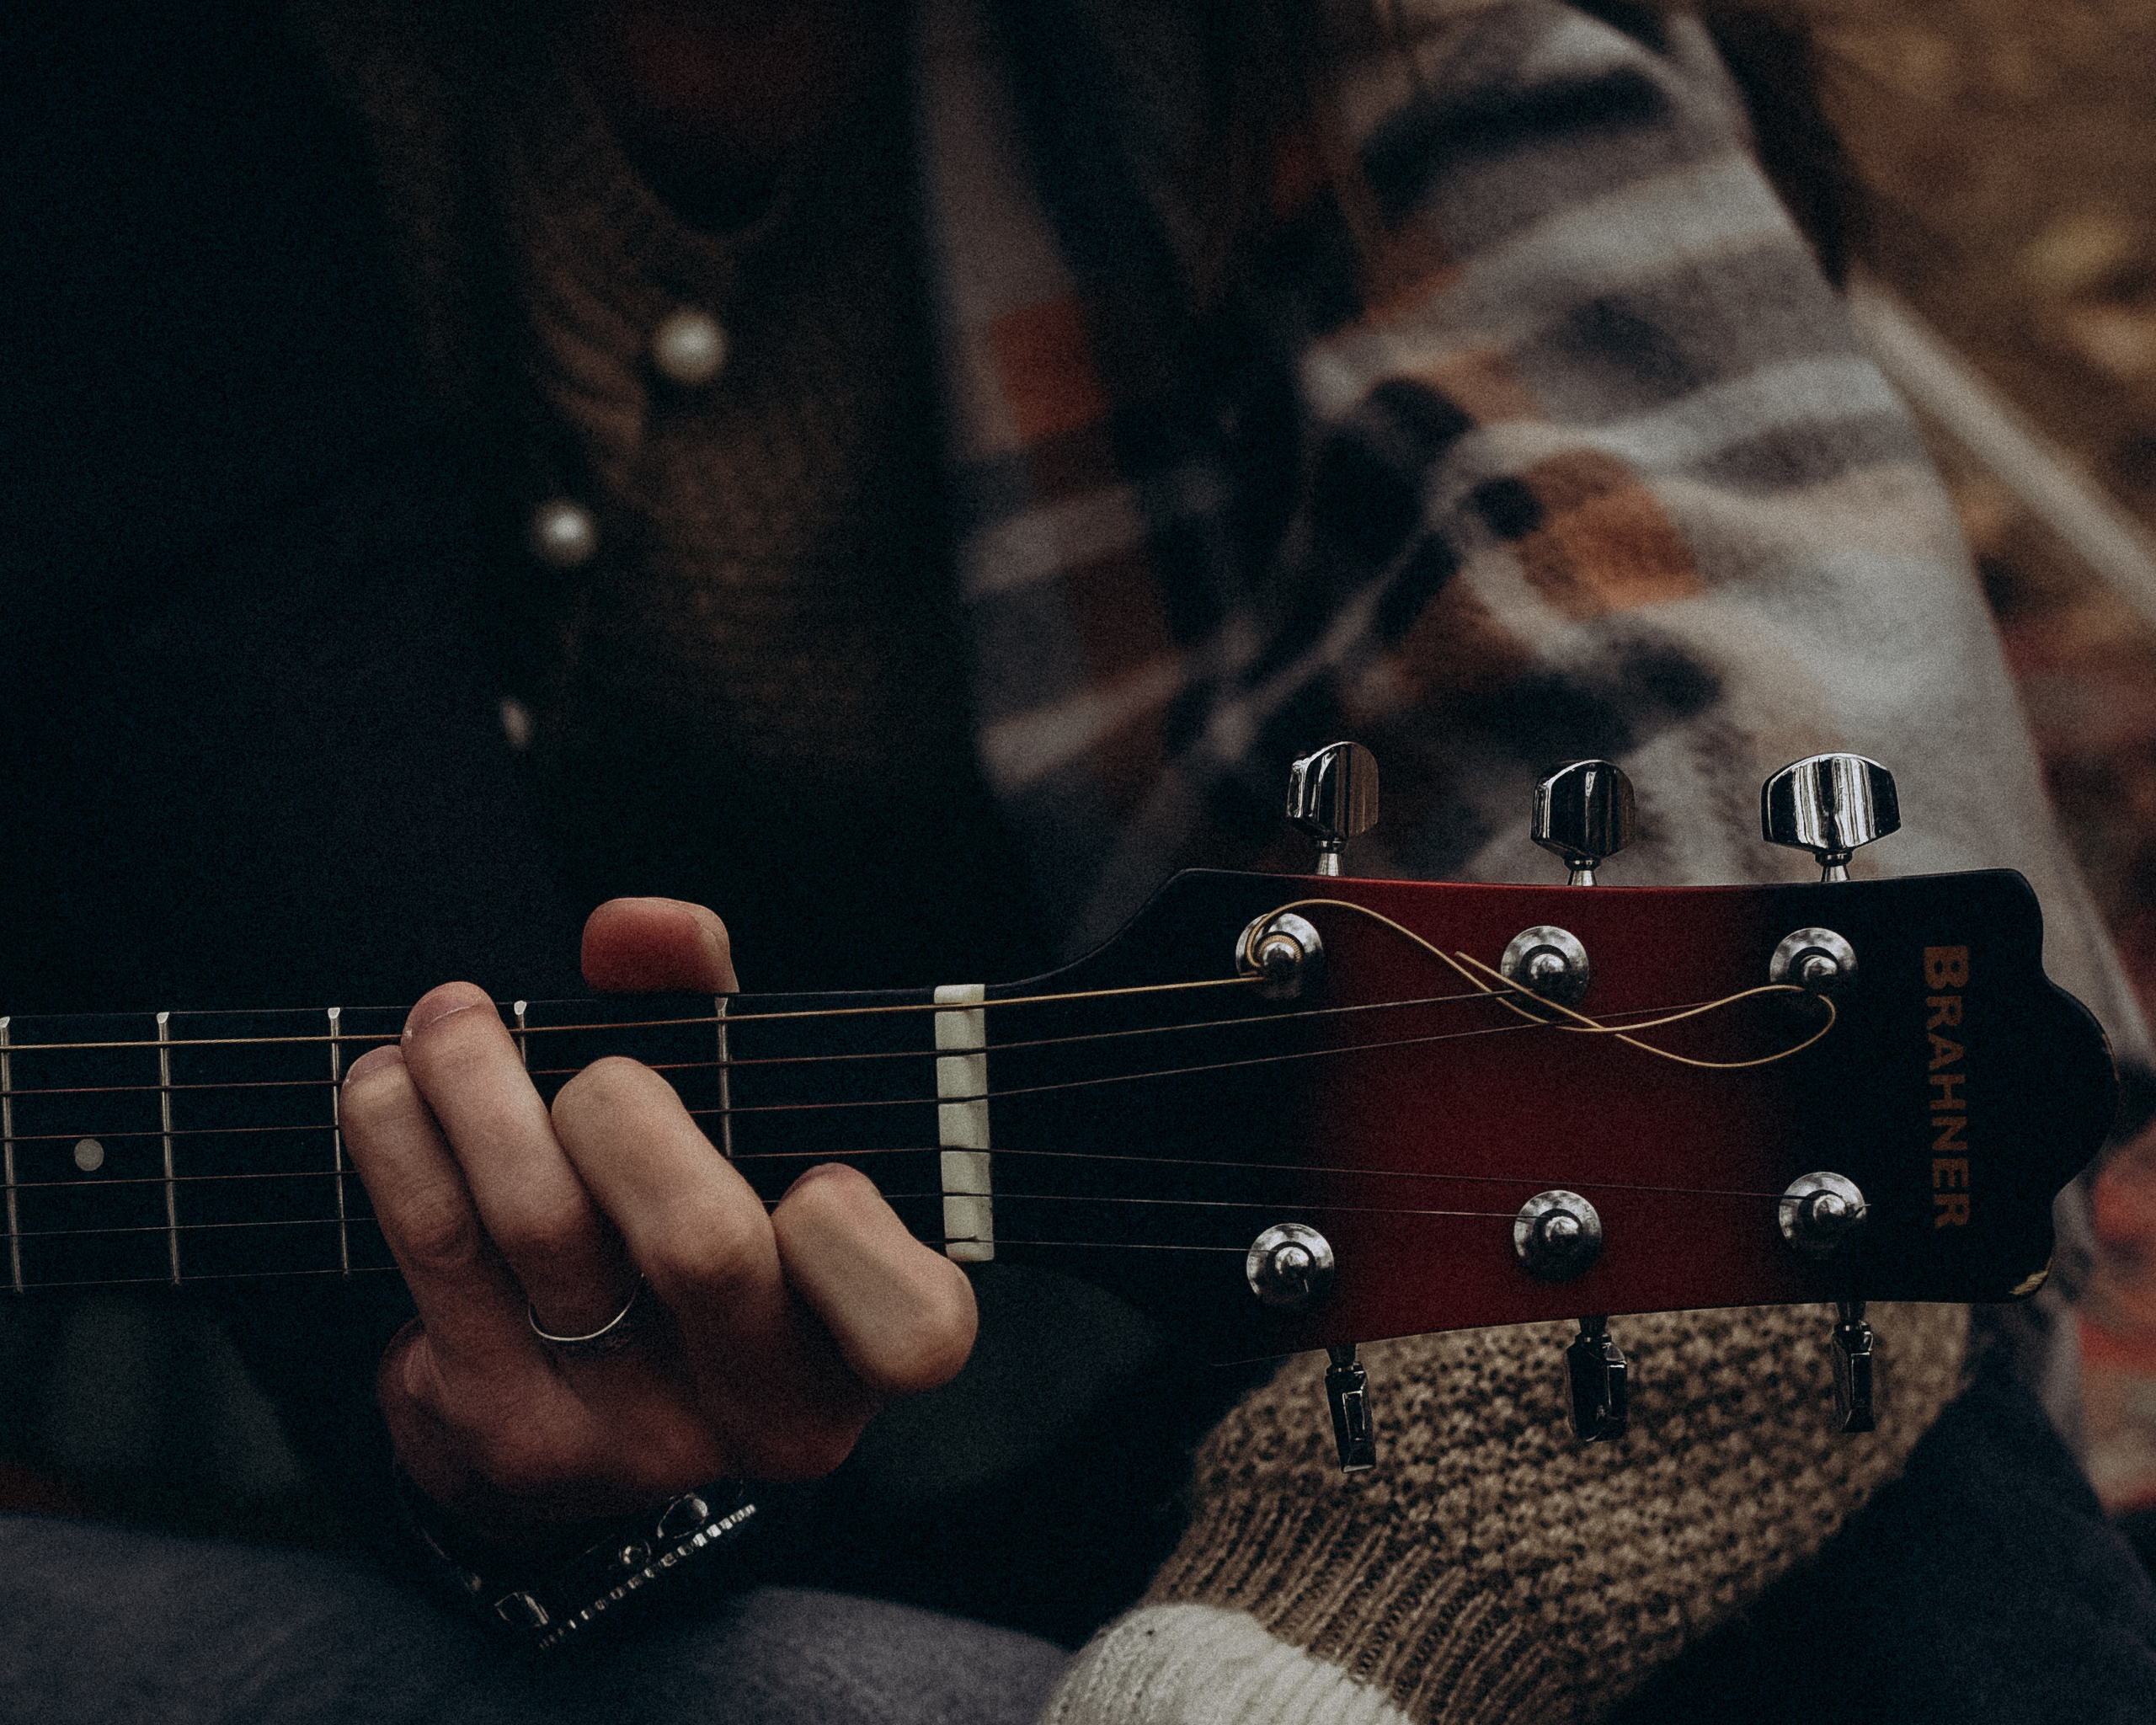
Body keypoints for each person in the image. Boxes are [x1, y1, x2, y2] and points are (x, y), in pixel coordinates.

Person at [3, 0, 2156, 1719]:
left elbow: (1804, 887)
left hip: (1162, 1339)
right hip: (274, 1390)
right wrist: (528, 1479)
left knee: (1889, 1510)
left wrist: (1279, 1650)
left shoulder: (1378, 54)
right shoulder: (152, 92)